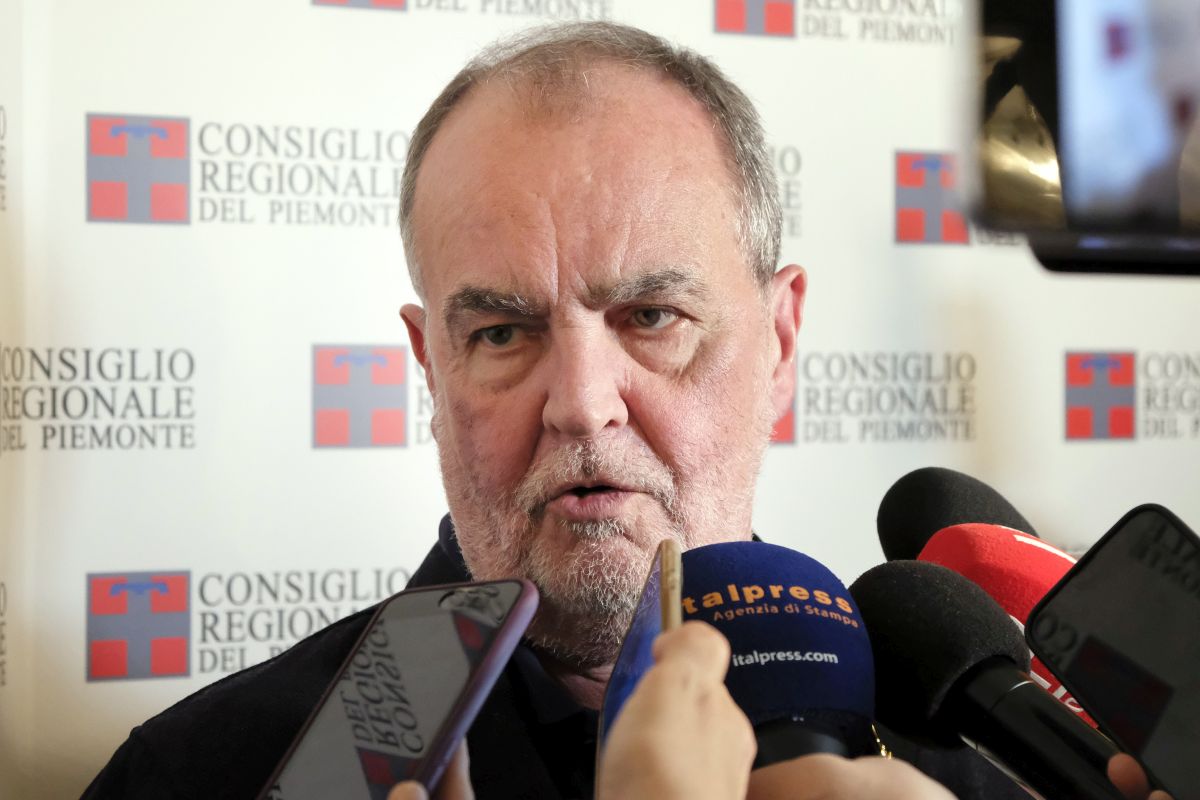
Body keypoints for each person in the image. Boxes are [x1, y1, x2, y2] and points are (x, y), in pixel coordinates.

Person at [82, 21, 1154, 800]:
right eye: (501, 332)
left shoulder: (992, 757)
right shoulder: (202, 774)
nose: (584, 405)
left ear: (780, 345)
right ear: (432, 368)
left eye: (651, 316)